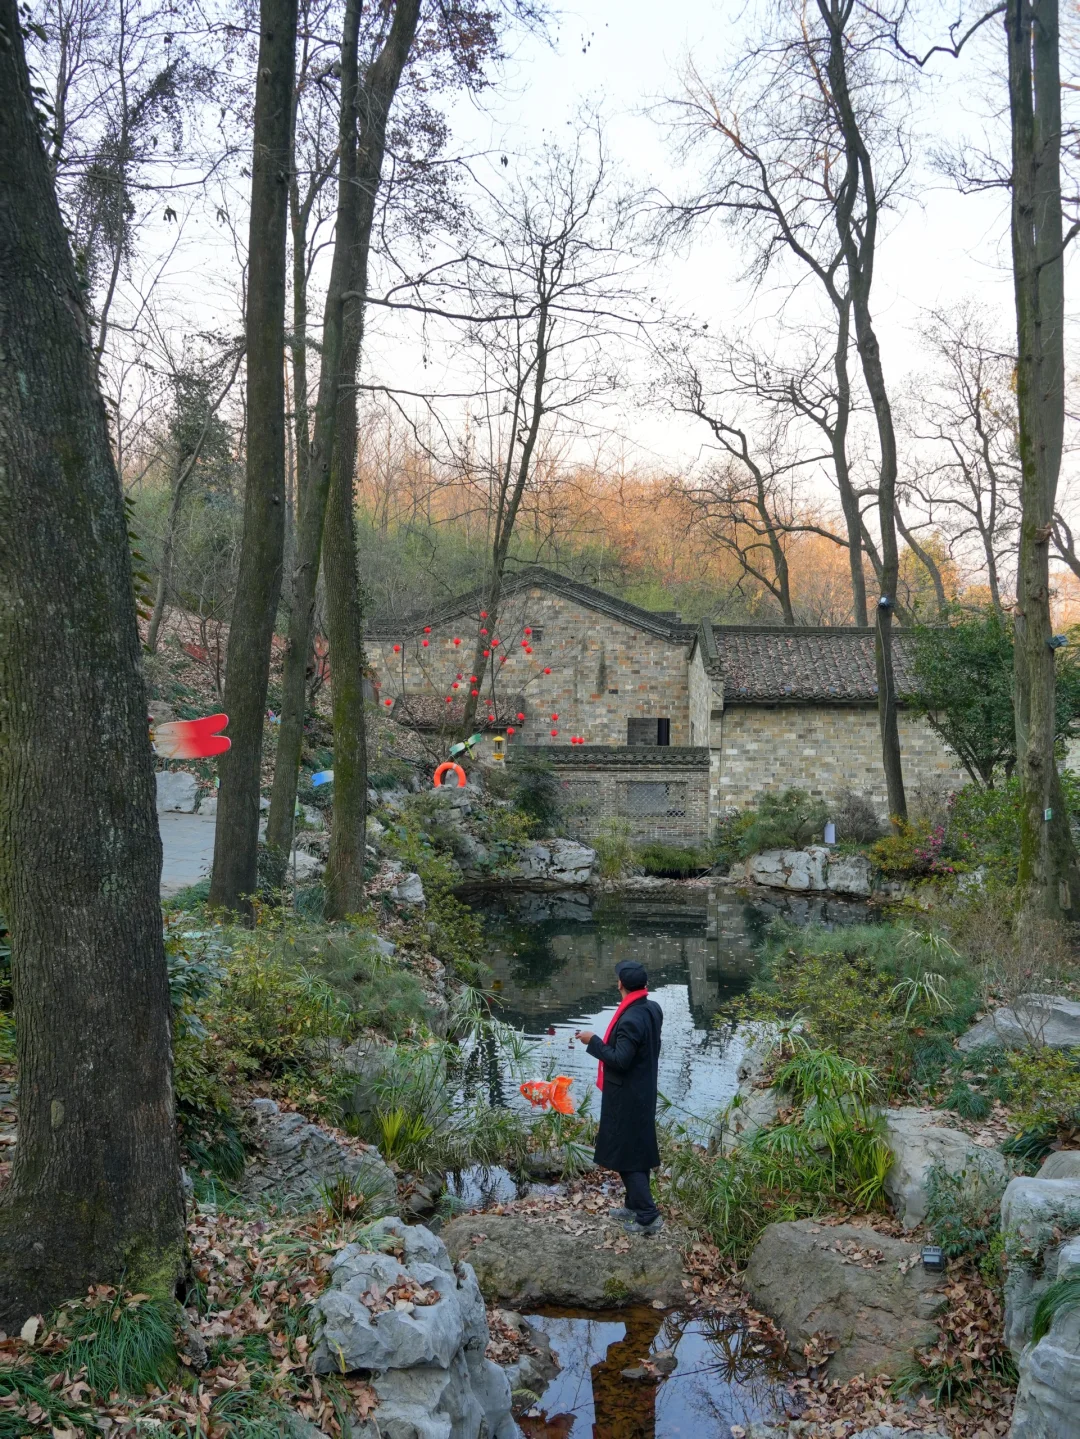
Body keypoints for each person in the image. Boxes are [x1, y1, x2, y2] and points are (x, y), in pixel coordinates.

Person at [574, 960, 664, 1236]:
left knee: (628, 1157)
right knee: (638, 1151)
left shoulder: (631, 1019)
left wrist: (594, 1041)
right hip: (642, 1091)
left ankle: (648, 1216)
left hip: (628, 1098)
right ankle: (633, 1205)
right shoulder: (651, 1008)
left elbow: (620, 1060)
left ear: (620, 984)